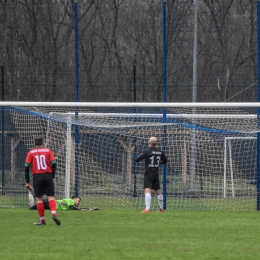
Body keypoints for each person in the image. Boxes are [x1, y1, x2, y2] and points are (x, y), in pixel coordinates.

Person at [25, 136, 61, 226]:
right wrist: (53, 174)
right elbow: (54, 163)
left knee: (39, 199)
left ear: (34, 144)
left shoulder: (30, 153)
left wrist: (27, 180)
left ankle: (42, 220)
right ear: (43, 143)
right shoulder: (48, 151)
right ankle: (54, 214)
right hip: (48, 175)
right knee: (51, 197)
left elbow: (26, 166)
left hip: (37, 176)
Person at [134, 136, 167, 213]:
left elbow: (137, 159)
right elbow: (165, 160)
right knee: (157, 190)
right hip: (155, 172)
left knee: (147, 189)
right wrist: (159, 163)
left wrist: (140, 155)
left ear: (149, 142)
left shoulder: (147, 151)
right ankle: (161, 208)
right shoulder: (160, 152)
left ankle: (147, 208)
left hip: (148, 172)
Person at [27, 188, 99, 211]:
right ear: (74, 198)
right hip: (51, 204)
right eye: (78, 200)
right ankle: (32, 193)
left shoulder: (70, 202)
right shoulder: (70, 201)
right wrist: (88, 209)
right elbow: (73, 207)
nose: (79, 202)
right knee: (34, 206)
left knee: (34, 208)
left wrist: (91, 209)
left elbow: (75, 208)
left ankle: (32, 194)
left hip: (51, 205)